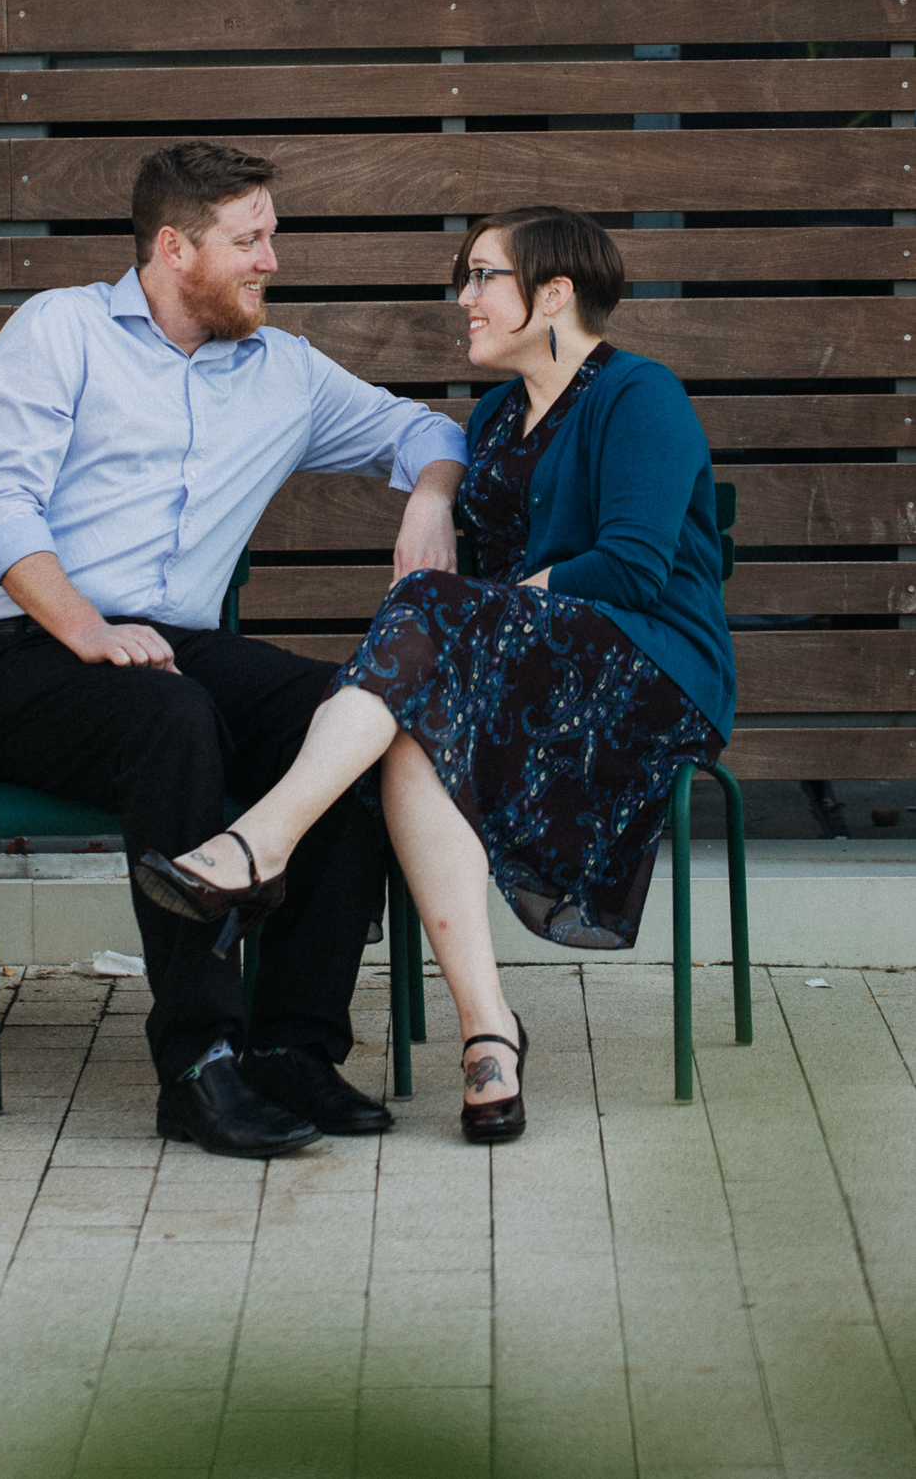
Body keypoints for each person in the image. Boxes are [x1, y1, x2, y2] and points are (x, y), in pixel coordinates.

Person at [140, 207, 735, 1145]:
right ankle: (488, 1032)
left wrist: (478, 608)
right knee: (412, 727)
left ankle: (260, 844)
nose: (465, 299)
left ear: (555, 295)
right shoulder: (496, 418)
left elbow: (632, 569)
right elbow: (458, 530)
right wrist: (437, 494)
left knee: (428, 614)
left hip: (646, 676)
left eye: (484, 277)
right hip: (529, 671)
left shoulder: (640, 396)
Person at [0, 140, 467, 1159]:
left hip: (168, 650)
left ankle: (292, 1052)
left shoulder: (284, 373)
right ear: (175, 248)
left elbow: (424, 431)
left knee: (349, 713)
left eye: (270, 235)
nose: (271, 260)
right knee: (172, 714)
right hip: (20, 655)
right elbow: (2, 508)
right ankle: (196, 1066)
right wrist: (88, 628)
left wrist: (432, 499)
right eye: (249, 240)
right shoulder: (61, 331)